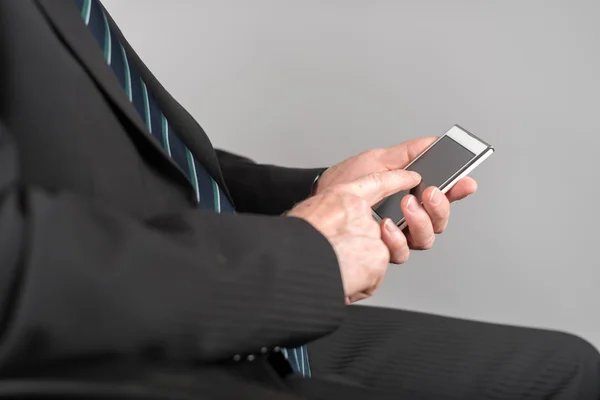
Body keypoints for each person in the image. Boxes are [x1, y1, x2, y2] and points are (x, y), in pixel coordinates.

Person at [0, 0, 598, 399]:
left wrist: (321, 194)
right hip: (95, 349)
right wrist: (303, 257)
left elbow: (127, 159)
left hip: (199, 294)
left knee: (567, 370)